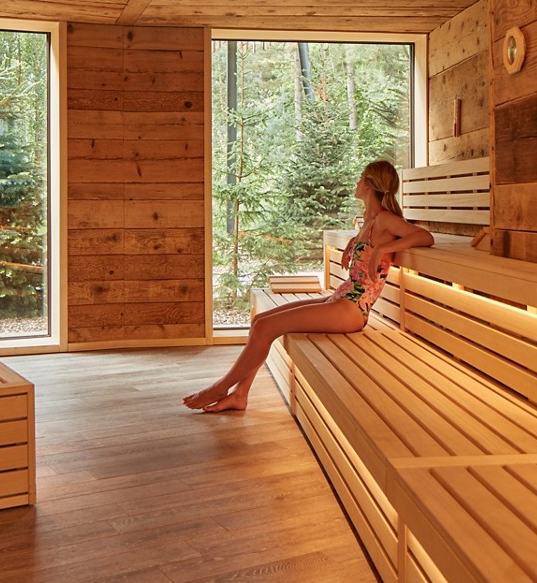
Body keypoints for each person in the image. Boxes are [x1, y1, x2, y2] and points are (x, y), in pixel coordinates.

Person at [184, 159, 434, 412]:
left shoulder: (385, 219)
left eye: (361, 177)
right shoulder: (368, 221)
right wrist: (355, 243)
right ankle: (240, 394)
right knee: (260, 321)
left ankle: (221, 387)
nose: (356, 182)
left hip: (353, 309)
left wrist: (383, 249)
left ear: (369, 185)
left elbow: (425, 236)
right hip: (343, 297)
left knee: (266, 327)